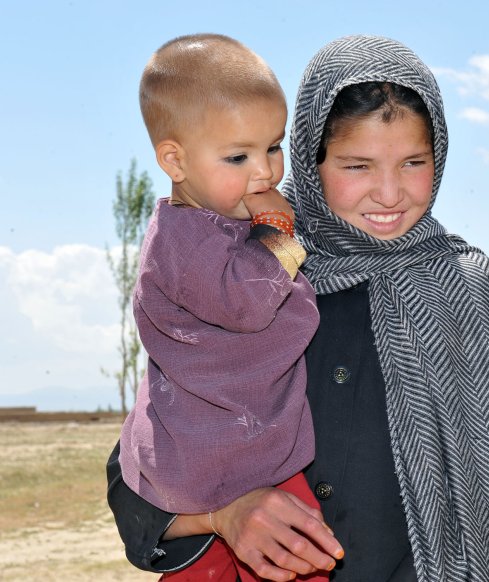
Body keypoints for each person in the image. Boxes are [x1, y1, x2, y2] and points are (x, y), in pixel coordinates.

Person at [108, 34, 489, 582]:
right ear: (311, 161)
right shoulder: (247, 273)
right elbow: (138, 471)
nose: (389, 193)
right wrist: (225, 514)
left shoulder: (468, 289)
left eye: (413, 162)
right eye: (357, 166)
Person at [116, 33, 338, 581]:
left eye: (273, 146)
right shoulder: (183, 239)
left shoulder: (225, 224)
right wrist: (282, 234)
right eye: (238, 156)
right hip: (217, 463)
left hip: (244, 449)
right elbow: (248, 300)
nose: (264, 172)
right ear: (175, 159)